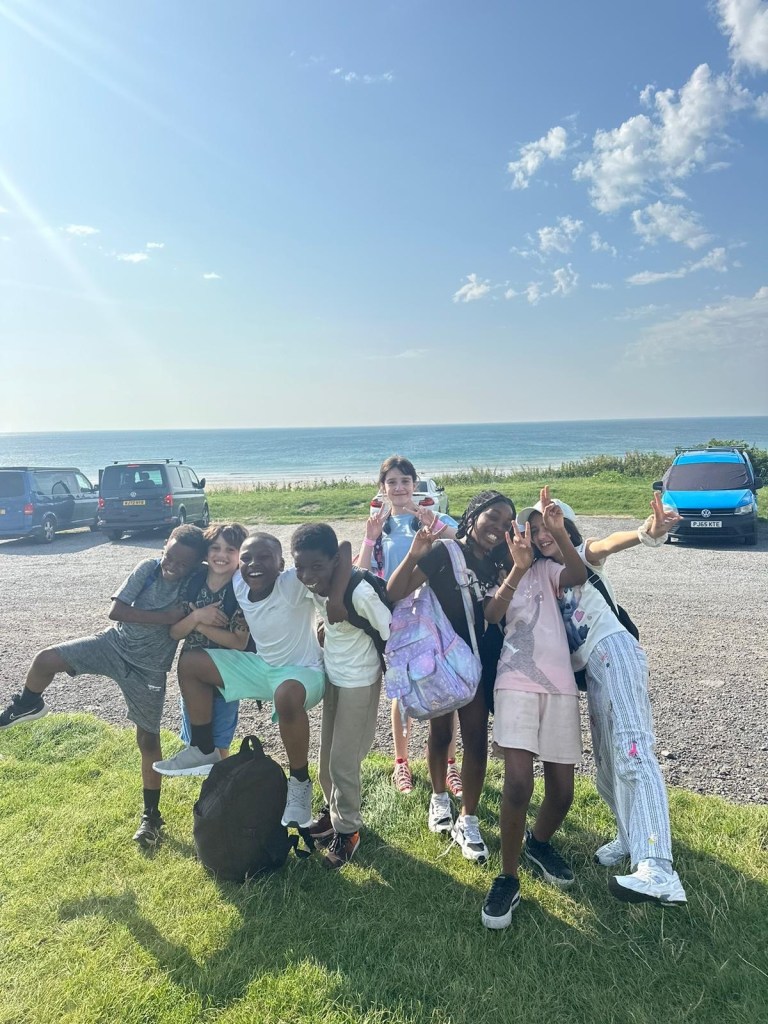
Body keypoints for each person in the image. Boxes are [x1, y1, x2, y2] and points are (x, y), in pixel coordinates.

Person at [0, 524, 208, 848]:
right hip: (113, 645)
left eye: (183, 564)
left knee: (148, 739)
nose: (173, 566)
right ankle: (29, 703)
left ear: (194, 565)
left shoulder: (195, 580)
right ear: (165, 545)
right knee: (45, 659)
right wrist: (167, 615)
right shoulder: (148, 568)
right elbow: (116, 611)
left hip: (149, 670)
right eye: (170, 557)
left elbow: (223, 566)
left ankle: (151, 816)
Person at [527, 489, 687, 907]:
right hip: (593, 672)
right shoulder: (545, 575)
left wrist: (648, 530)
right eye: (536, 529)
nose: (543, 534)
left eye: (551, 524)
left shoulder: (581, 554)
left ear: (567, 525)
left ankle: (658, 866)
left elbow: (611, 543)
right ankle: (629, 838)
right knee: (606, 763)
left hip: (615, 651)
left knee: (633, 751)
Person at [152, 532, 326, 832]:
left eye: (264, 558)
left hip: (303, 673)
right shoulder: (240, 583)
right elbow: (213, 564)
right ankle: (203, 748)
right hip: (261, 668)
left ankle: (299, 783)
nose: (253, 564)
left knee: (286, 694)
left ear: (281, 564)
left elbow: (334, 566)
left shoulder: (292, 583)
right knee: (191, 662)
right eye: (246, 558)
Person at [387, 490, 517, 865]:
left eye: (507, 523)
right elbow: (395, 591)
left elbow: (493, 615)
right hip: (440, 662)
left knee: (476, 740)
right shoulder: (445, 552)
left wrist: (513, 570)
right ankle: (439, 798)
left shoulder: (499, 562)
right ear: (472, 516)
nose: (498, 527)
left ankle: (468, 819)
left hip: (477, 661)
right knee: (441, 734)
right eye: (492, 517)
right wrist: (415, 554)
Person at [481, 492, 587, 930]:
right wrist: (518, 568)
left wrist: (559, 534)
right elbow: (492, 613)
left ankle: (537, 842)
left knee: (562, 793)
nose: (532, 536)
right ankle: (508, 877)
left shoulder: (550, 569)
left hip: (560, 686)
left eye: (538, 529)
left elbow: (579, 573)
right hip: (514, 681)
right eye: (527, 529)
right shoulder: (501, 574)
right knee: (519, 782)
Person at [356, 454, 461, 798]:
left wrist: (437, 524)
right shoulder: (379, 525)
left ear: (415, 484)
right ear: (382, 488)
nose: (399, 488)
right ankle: (401, 762)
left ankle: (449, 763)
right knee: (402, 689)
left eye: (405, 481)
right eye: (392, 482)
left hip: (437, 614)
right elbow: (361, 572)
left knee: (444, 687)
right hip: (397, 617)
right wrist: (369, 537)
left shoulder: (431, 517)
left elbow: (464, 542)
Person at [291, 523, 390, 868]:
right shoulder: (318, 584)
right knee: (326, 760)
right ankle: (333, 814)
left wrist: (339, 601)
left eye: (316, 566)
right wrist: (326, 619)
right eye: (300, 566)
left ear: (334, 562)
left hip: (359, 681)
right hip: (333, 676)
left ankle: (349, 830)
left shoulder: (358, 593)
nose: (307, 575)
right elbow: (345, 546)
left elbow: (390, 629)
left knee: (343, 762)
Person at [172, 522, 250, 759]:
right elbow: (174, 633)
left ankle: (221, 782)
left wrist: (200, 624)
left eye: (230, 550)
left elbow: (239, 642)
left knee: (219, 747)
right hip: (192, 681)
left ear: (241, 555)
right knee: (198, 744)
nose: (221, 555)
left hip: (224, 677)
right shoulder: (193, 582)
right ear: (206, 553)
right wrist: (197, 616)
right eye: (215, 548)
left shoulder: (242, 589)